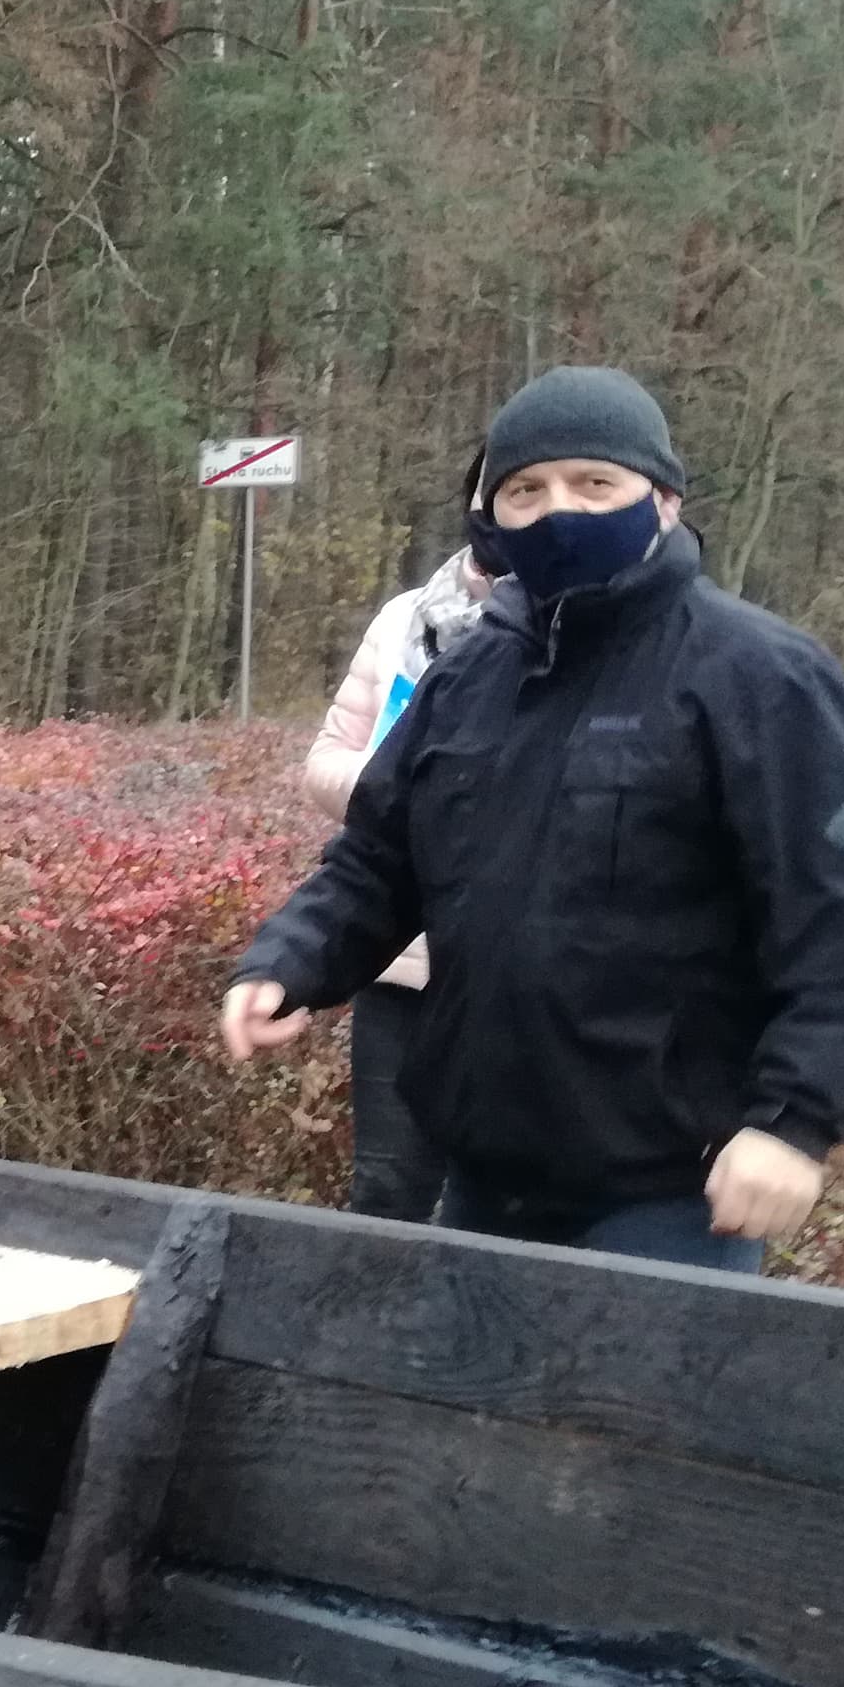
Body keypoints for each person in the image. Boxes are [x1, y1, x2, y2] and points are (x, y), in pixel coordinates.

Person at [222, 364, 844, 1274]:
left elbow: (841, 924)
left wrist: (793, 1123)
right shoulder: (468, 680)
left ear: (662, 499)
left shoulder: (760, 677)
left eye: (596, 484)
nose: (560, 512)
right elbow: (381, 860)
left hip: (669, 1200)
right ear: (491, 515)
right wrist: (288, 962)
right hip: (482, 1182)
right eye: (526, 490)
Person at [302, 490, 495, 1220]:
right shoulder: (404, 621)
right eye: (504, 488)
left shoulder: (585, 637)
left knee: (498, 1206)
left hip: (520, 980)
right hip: (404, 966)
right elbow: (325, 764)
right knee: (388, 1193)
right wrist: (408, 788)